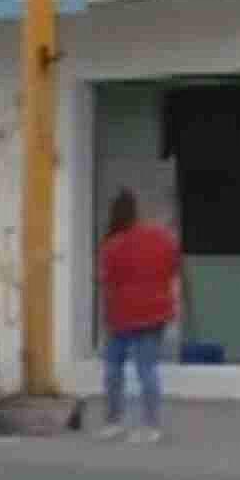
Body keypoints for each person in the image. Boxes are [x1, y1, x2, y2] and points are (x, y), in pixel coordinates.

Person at [95, 188, 182, 444]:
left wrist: (105, 320)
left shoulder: (112, 246)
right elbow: (172, 267)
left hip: (122, 316)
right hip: (154, 314)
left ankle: (114, 421)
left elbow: (107, 283)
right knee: (147, 370)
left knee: (113, 369)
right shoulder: (160, 237)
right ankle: (151, 426)